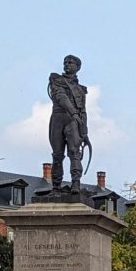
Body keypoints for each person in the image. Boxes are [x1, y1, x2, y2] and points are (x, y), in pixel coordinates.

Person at [47, 54, 89, 194]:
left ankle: (75, 184)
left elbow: (83, 111)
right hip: (59, 118)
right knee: (57, 155)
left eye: (71, 63)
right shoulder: (56, 79)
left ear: (77, 67)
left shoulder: (81, 90)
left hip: (73, 121)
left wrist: (85, 133)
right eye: (65, 62)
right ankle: (56, 187)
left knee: (74, 152)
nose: (67, 64)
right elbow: (60, 96)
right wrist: (74, 113)